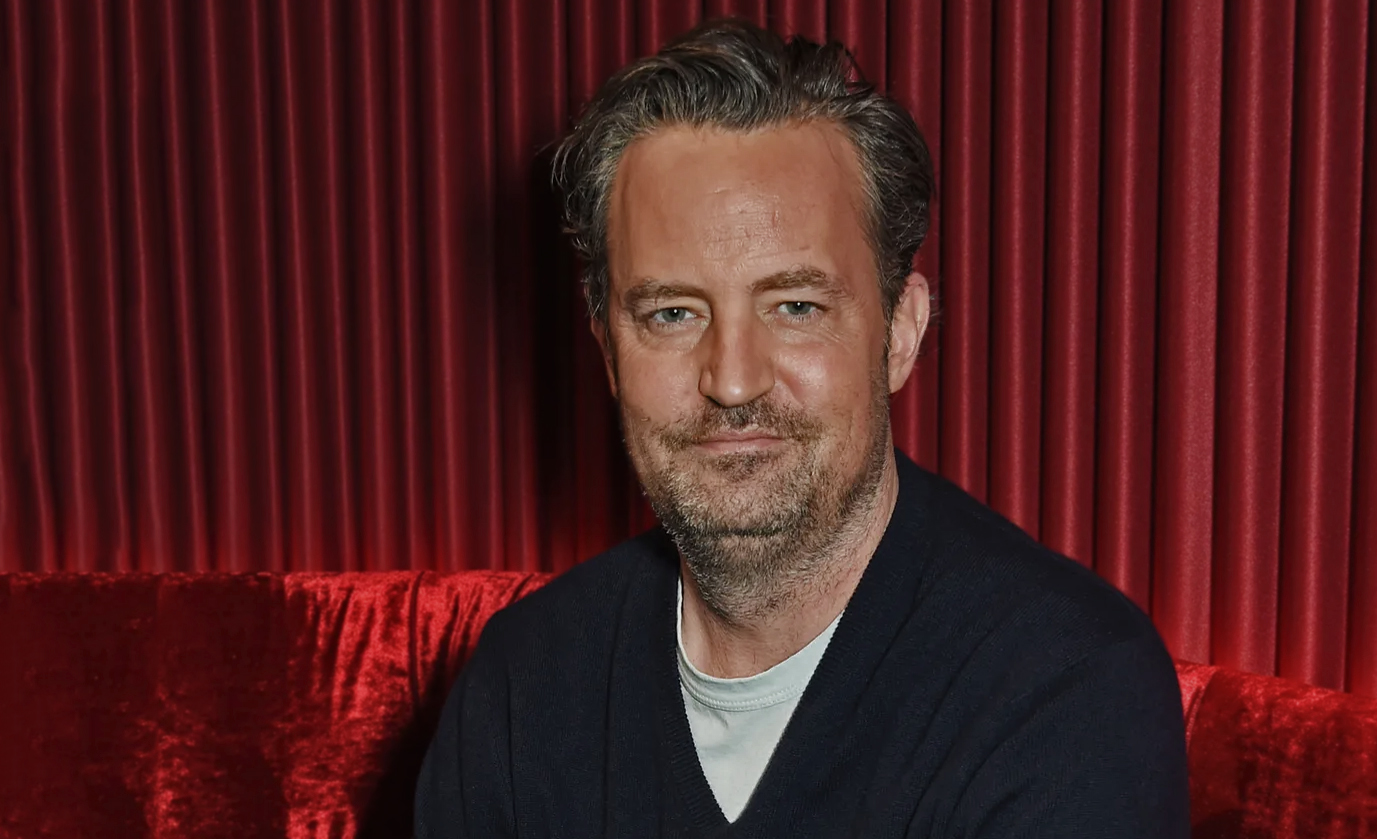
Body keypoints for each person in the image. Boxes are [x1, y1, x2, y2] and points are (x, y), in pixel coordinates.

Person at [415, 19, 1189, 838]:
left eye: (795, 306)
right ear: (608, 350)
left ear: (900, 331)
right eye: (672, 313)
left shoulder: (1062, 688)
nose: (732, 379)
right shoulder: (522, 684)